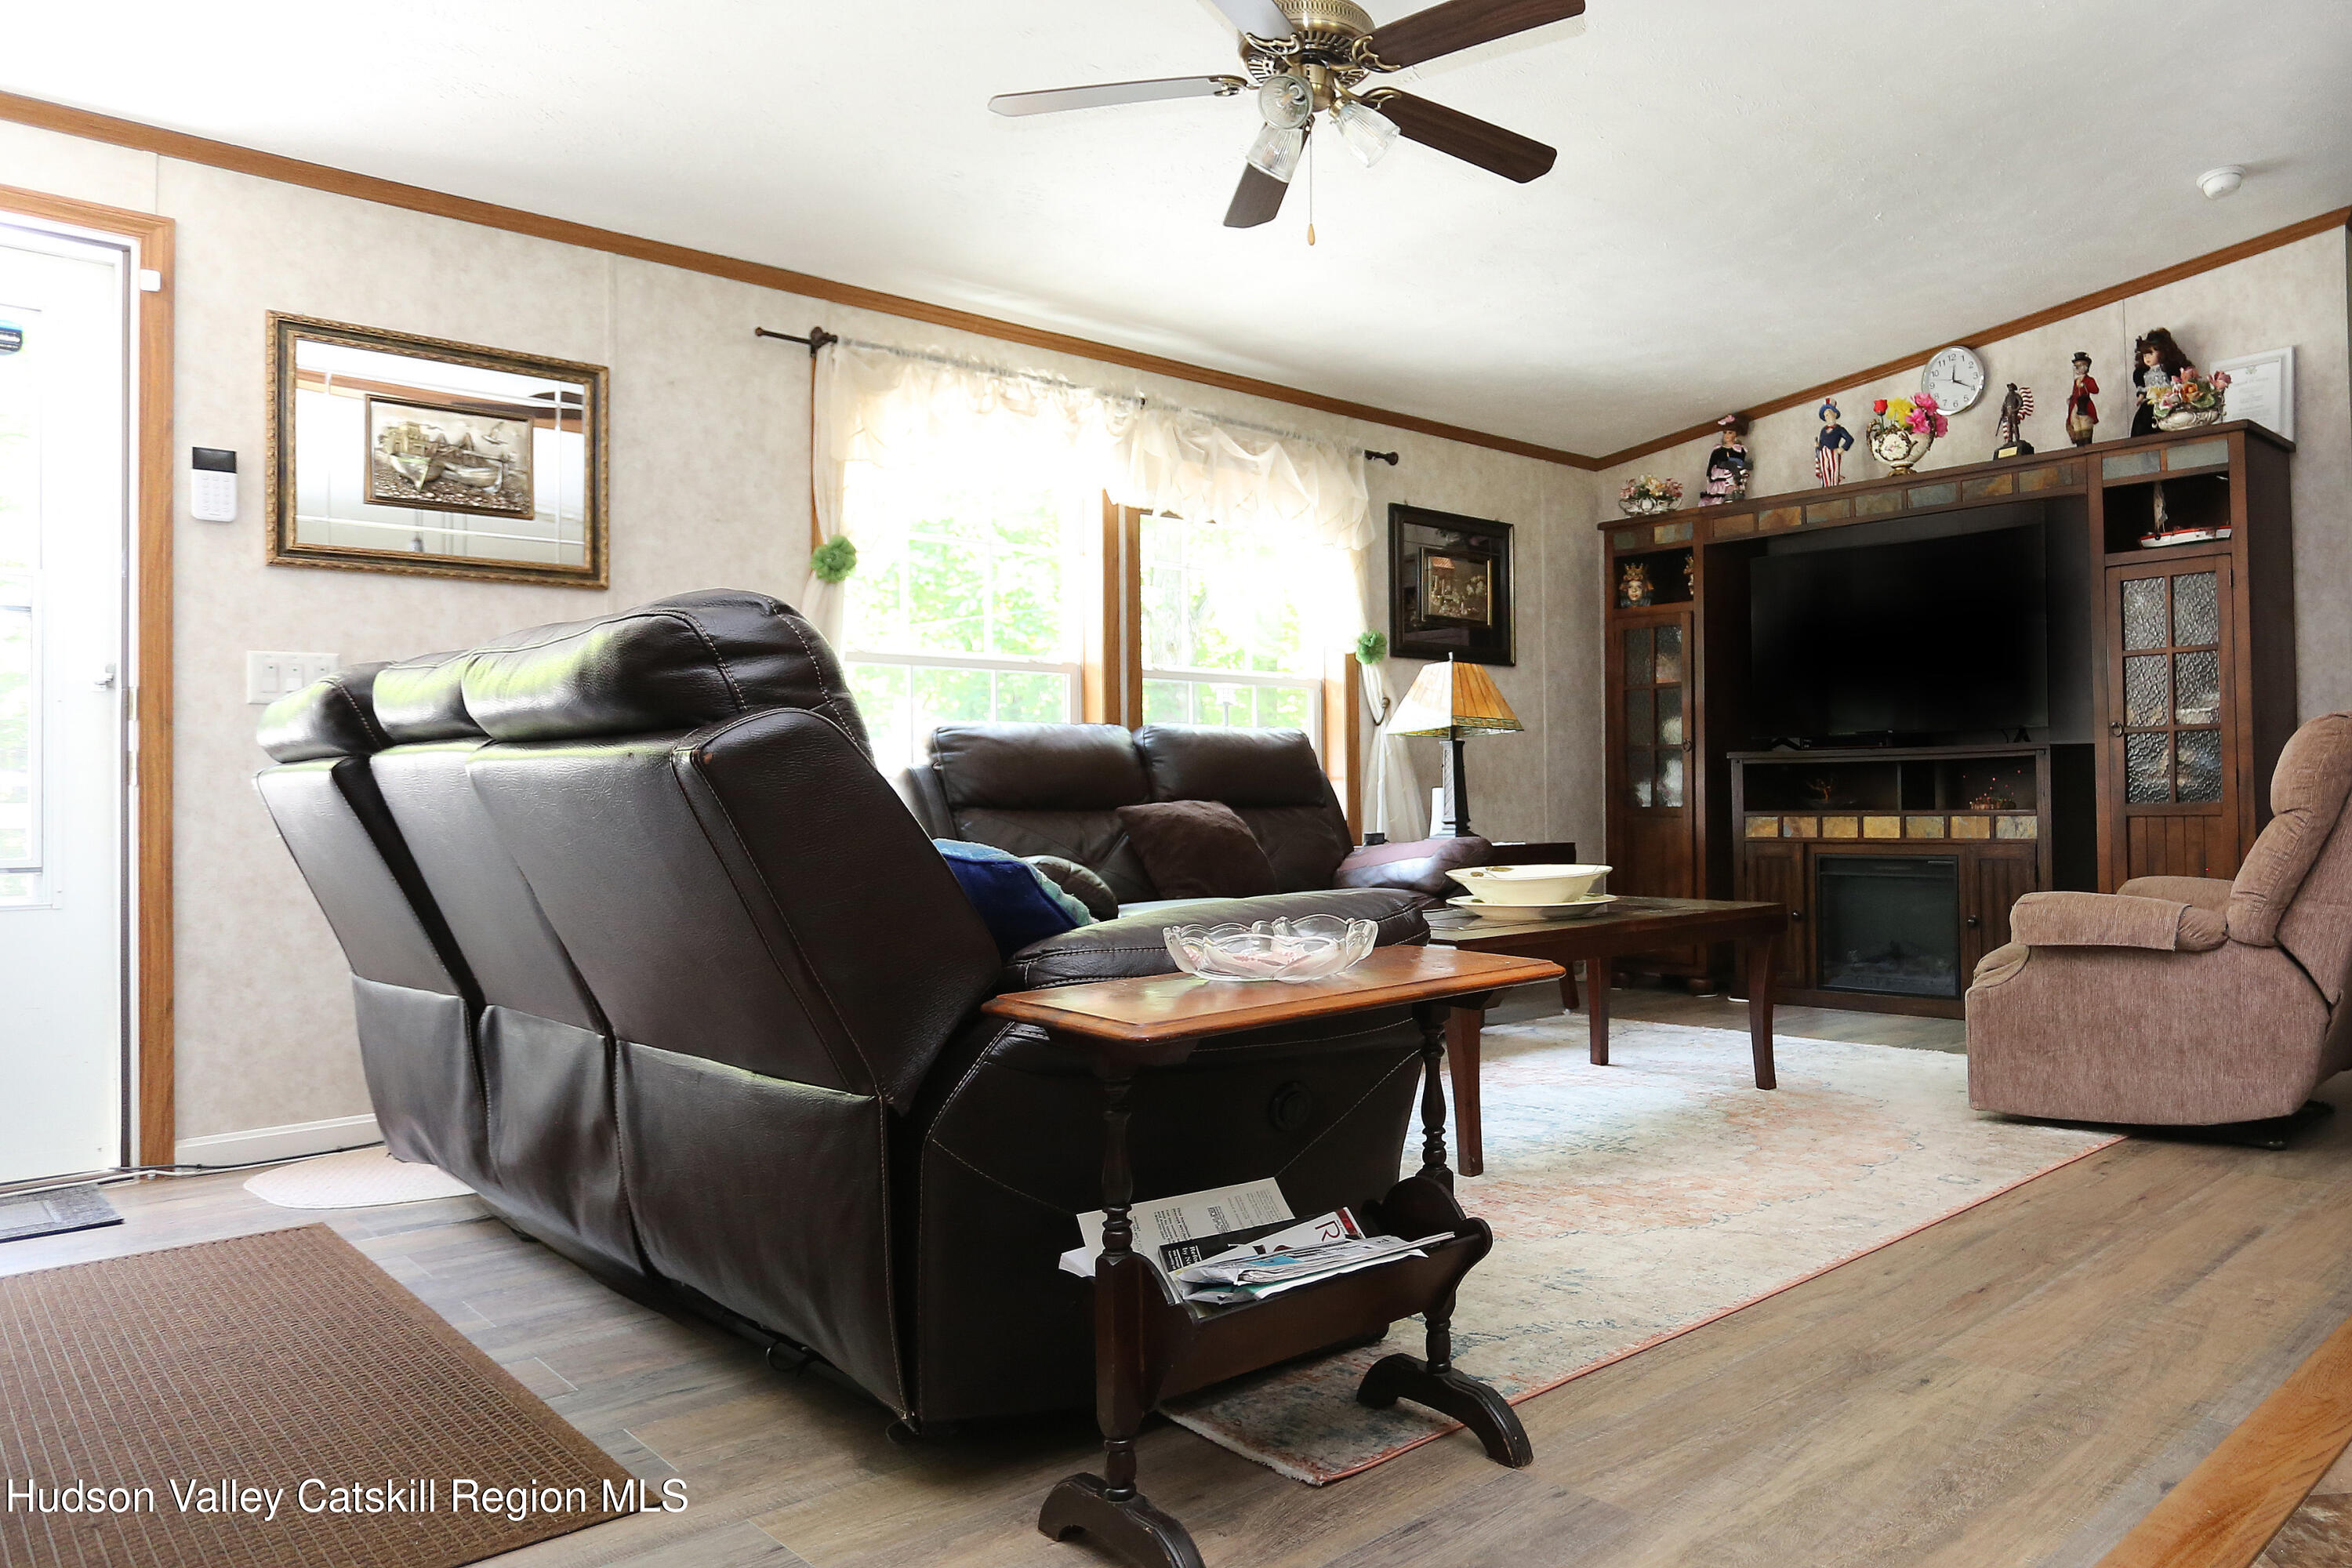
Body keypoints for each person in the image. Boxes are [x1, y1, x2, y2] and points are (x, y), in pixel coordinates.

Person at [2131, 328, 2190, 437]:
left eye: (2150, 353)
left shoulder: (2168, 369)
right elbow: (2142, 390)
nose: (2147, 358)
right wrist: (2140, 398)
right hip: (2149, 405)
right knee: (2143, 427)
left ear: (2163, 352)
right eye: (2144, 355)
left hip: (2167, 402)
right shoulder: (2144, 374)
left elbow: (2176, 384)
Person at [1700, 416, 1750, 505]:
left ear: (1735, 434)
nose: (1726, 435)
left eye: (1730, 433)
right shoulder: (1717, 450)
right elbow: (1711, 466)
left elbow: (1740, 464)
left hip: (1732, 476)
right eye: (1725, 433)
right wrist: (1710, 477)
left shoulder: (1739, 449)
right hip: (1718, 478)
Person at [1813, 399, 1853, 486]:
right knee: (1825, 469)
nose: (1828, 417)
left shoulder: (1839, 429)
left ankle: (1834, 485)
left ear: (1835, 414)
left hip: (1833, 452)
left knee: (1834, 469)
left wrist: (1842, 448)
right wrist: (1818, 446)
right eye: (1826, 415)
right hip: (1824, 453)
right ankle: (1826, 486)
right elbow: (1822, 442)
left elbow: (1849, 439)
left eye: (1829, 414)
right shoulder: (1823, 430)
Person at [2064, 352, 2100, 446]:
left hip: (2085, 408)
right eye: (2076, 366)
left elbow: (2095, 390)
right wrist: (2071, 399)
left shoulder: (2089, 380)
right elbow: (2075, 393)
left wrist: (2085, 386)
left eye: (2080, 366)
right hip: (2075, 408)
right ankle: (2079, 445)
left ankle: (2087, 445)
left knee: (2085, 429)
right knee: (2077, 429)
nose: (2078, 368)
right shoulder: (2076, 381)